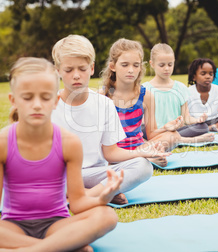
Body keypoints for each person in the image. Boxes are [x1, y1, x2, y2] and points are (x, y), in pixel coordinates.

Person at [0, 57, 122, 251]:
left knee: (107, 216)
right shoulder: (3, 143)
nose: (37, 105)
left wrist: (101, 199)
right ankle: (63, 247)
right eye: (28, 97)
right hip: (13, 226)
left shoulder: (69, 143)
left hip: (57, 225)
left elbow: (78, 203)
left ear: (56, 101)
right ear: (13, 101)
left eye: (45, 97)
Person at [51, 35, 170, 205]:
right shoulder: (48, 107)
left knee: (143, 166)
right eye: (69, 70)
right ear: (58, 71)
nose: (76, 75)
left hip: (94, 173)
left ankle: (87, 195)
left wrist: (142, 152)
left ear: (92, 68)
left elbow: (111, 153)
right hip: (60, 176)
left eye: (82, 69)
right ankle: (103, 193)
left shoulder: (105, 103)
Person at [100, 38, 181, 166]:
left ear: (140, 68)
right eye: (125, 65)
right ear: (112, 66)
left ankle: (142, 157)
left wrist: (166, 128)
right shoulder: (102, 96)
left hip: (139, 148)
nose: (131, 70)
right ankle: (144, 159)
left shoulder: (146, 96)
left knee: (174, 136)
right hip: (113, 152)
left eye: (136, 65)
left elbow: (151, 134)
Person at [142, 43, 214, 143]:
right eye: (162, 65)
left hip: (176, 131)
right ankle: (187, 140)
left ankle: (170, 140)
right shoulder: (145, 89)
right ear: (152, 64)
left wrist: (198, 120)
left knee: (203, 127)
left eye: (170, 64)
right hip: (154, 132)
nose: (166, 68)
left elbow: (186, 119)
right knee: (140, 130)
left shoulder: (180, 88)